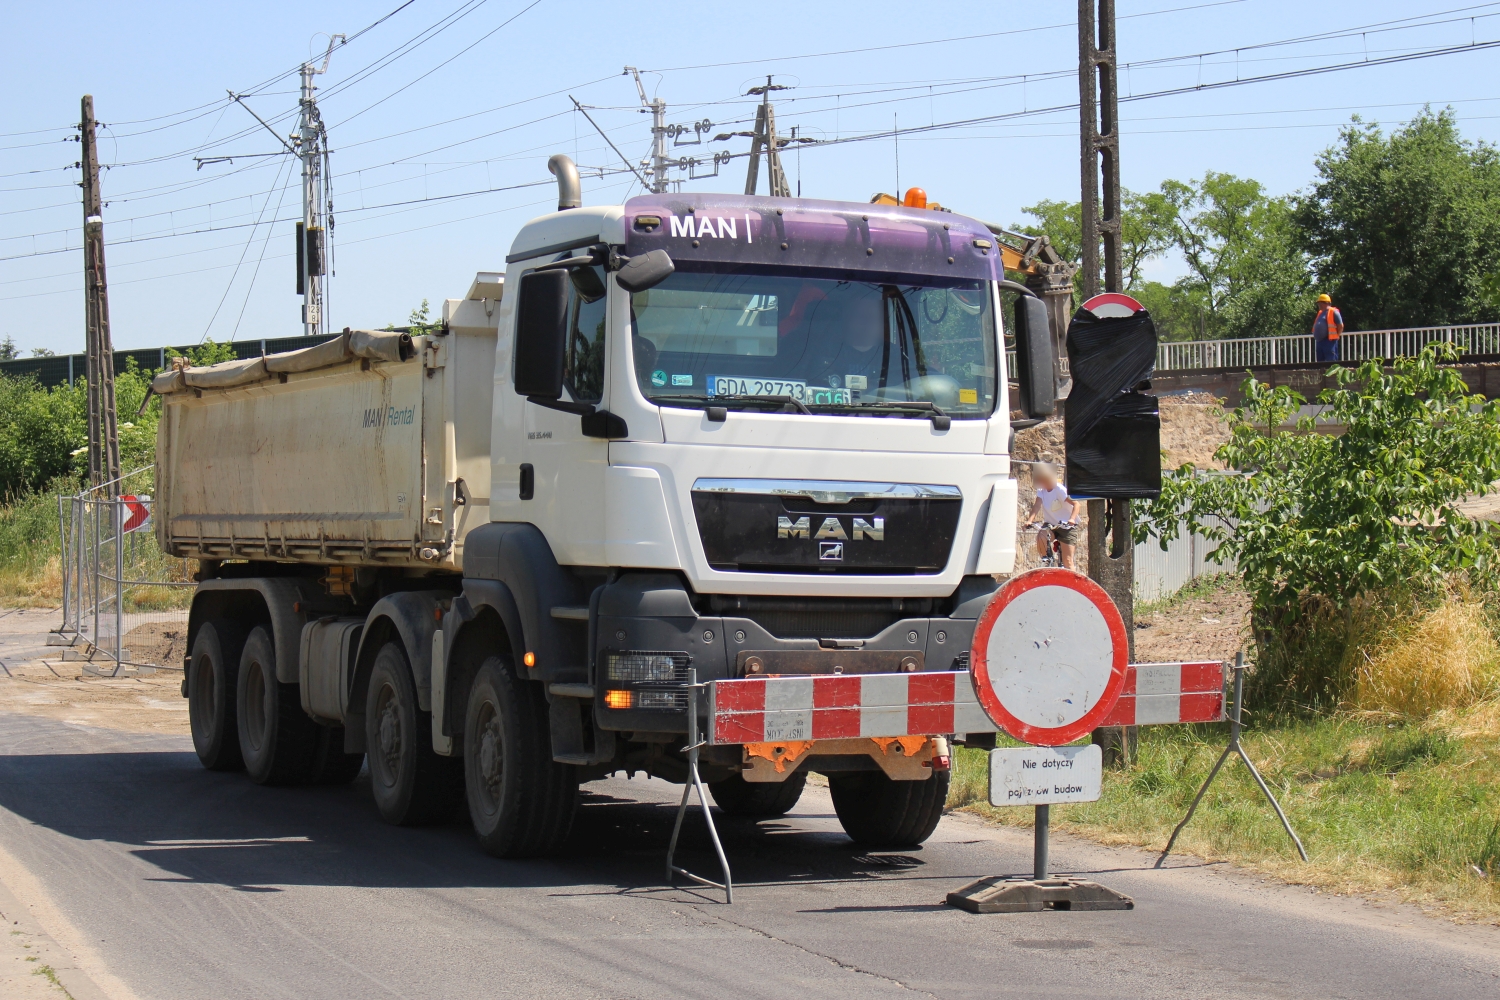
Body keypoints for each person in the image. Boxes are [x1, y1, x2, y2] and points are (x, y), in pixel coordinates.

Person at [1027, 463, 1081, 571]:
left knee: (1068, 562)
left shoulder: (1059, 489)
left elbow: (1076, 504)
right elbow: (1037, 505)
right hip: (1051, 524)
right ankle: (1046, 559)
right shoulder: (1041, 491)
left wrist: (1071, 519)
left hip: (1066, 526)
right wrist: (1029, 520)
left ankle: (1071, 584)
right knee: (1041, 535)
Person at [1312, 293, 1344, 363]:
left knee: (1331, 360)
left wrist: (1337, 336)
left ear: (1325, 303)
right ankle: (1321, 374)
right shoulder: (1320, 312)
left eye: (1320, 303)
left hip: (1329, 340)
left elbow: (1340, 326)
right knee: (1320, 362)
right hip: (1320, 341)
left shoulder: (1333, 311)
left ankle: (1332, 374)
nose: (1319, 305)